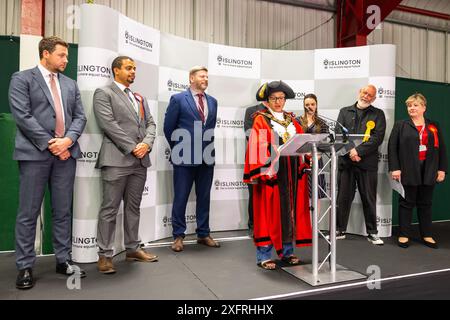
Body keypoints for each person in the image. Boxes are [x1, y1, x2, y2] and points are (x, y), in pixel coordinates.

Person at [9, 36, 87, 289]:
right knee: (28, 213)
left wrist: (68, 141)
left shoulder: (71, 84)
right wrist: (53, 143)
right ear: (45, 54)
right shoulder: (21, 79)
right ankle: (24, 266)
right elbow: (22, 116)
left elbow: (80, 117)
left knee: (63, 211)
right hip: (35, 155)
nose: (66, 59)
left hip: (66, 155)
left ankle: (63, 260)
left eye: (66, 55)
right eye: (62, 55)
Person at [93, 56, 158, 274]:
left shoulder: (139, 97)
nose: (133, 72)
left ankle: (132, 249)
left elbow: (151, 123)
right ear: (116, 70)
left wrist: (146, 144)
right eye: (129, 68)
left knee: (133, 208)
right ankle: (104, 255)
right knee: (109, 209)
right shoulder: (104, 93)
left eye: (134, 69)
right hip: (116, 160)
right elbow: (108, 125)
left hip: (139, 162)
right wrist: (133, 147)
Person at [244, 81, 312, 270]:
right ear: (267, 100)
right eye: (274, 98)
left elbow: (301, 141)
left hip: (291, 173)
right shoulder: (260, 119)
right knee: (267, 213)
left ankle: (287, 252)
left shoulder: (292, 120)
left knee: (290, 212)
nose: (278, 102)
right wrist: (270, 159)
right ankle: (264, 255)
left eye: (281, 98)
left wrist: (307, 155)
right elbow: (256, 145)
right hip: (271, 173)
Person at [163, 66, 220, 252]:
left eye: (207, 76)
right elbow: (168, 128)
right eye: (202, 76)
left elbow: (209, 129)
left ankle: (203, 233)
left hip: (207, 157)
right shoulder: (178, 99)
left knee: (204, 197)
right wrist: (178, 149)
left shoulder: (213, 101)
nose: (205, 78)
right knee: (181, 197)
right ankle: (178, 236)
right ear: (191, 78)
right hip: (184, 157)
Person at [388, 93, 447, 249]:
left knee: (425, 203)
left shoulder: (433, 125)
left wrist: (442, 169)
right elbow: (392, 148)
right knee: (406, 203)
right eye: (409, 106)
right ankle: (404, 234)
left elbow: (441, 149)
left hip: (429, 169)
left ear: (423, 107)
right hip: (408, 169)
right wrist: (395, 168)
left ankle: (427, 234)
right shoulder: (400, 125)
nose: (411, 108)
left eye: (415, 105)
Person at [335, 85, 386, 245]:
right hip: (346, 162)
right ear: (359, 93)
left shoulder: (378, 114)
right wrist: (351, 151)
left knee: (368, 198)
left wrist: (358, 152)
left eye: (370, 95)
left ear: (374, 98)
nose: (366, 96)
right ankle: (339, 230)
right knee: (343, 198)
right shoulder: (344, 111)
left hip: (367, 164)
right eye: (364, 93)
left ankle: (372, 232)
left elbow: (377, 137)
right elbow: (339, 134)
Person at [243, 90, 268, 235]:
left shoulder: (279, 113)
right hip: (255, 158)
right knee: (254, 194)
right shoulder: (251, 111)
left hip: (275, 160)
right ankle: (253, 225)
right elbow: (249, 134)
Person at [297, 93, 329, 200]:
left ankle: (314, 218)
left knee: (316, 195)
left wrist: (316, 156)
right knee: (301, 196)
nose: (310, 107)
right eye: (307, 104)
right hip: (300, 162)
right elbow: (293, 141)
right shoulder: (297, 121)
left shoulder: (322, 123)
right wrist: (304, 155)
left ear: (316, 105)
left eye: (312, 104)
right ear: (303, 106)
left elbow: (325, 144)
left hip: (317, 160)